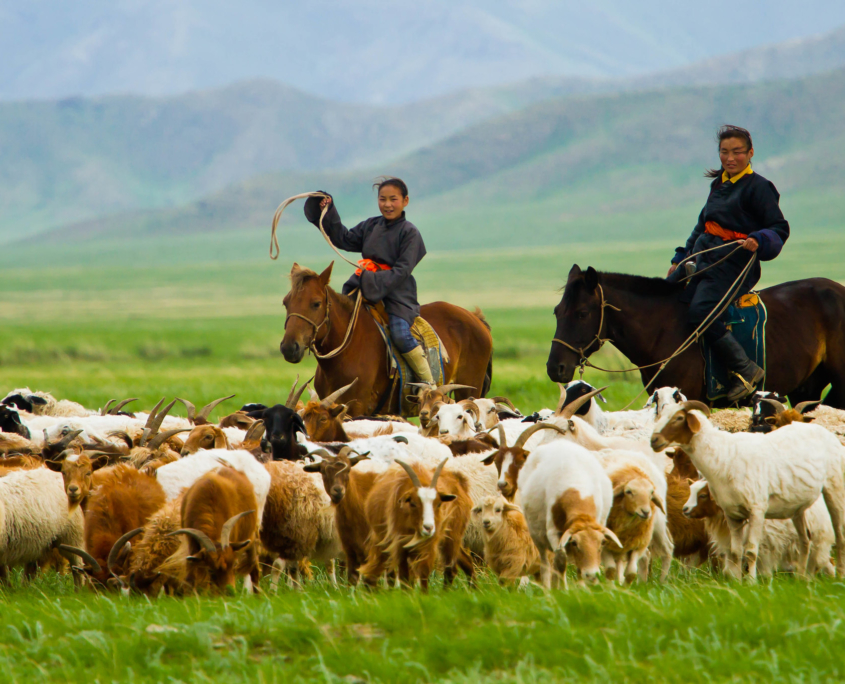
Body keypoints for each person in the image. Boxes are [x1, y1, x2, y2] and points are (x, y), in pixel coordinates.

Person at [668, 125, 790, 403]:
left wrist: (759, 238)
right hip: (703, 257)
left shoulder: (760, 187)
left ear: (750, 153)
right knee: (668, 294)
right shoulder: (719, 183)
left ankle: (746, 370)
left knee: (701, 311)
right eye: (724, 152)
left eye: (737, 152)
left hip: (734, 264)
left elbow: (779, 228)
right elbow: (703, 226)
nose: (730, 158)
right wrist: (680, 257)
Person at [303, 177, 434, 384]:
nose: (387, 204)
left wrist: (370, 278)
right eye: (382, 199)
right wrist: (326, 210)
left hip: (397, 294)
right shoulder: (371, 225)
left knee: (400, 334)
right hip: (362, 286)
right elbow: (343, 238)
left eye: (393, 199)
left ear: (405, 201)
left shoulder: (410, 233)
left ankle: (429, 386)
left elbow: (402, 271)